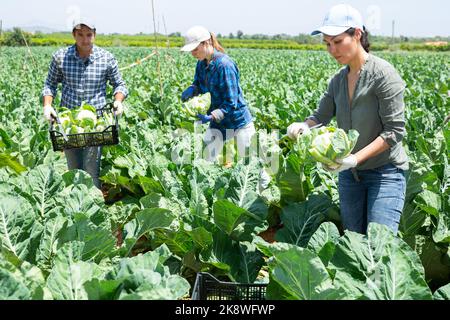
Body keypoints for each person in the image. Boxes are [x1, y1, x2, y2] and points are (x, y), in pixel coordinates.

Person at [287, 4, 408, 235]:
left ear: (357, 34)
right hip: (350, 176)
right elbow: (321, 116)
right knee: (354, 242)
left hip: (384, 173)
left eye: (338, 41)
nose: (332, 49)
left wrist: (354, 158)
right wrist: (304, 126)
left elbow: (394, 131)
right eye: (327, 44)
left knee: (378, 247)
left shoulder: (383, 74)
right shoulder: (338, 80)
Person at [42, 19, 128, 189]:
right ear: (74, 35)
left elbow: (120, 85)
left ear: (94, 35)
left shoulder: (106, 58)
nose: (85, 39)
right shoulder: (60, 57)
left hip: (96, 123)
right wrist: (47, 105)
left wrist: (118, 101)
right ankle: (75, 206)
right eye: (80, 34)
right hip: (69, 123)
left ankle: (93, 207)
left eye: (89, 34)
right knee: (73, 169)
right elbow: (49, 85)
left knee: (91, 170)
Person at [180, 26, 255, 163]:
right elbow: (198, 82)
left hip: (238, 122)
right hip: (218, 124)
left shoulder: (225, 65)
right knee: (205, 163)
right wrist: (193, 88)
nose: (193, 53)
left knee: (252, 165)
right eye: (191, 50)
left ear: (207, 42)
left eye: (195, 49)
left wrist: (211, 116)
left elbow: (231, 102)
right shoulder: (201, 64)